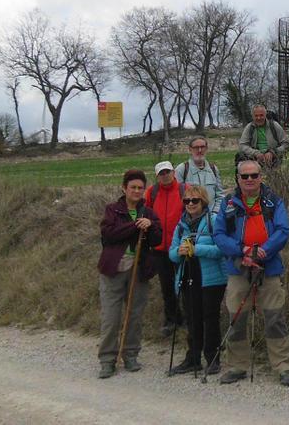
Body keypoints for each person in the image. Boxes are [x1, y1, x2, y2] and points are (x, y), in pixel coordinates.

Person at [212, 160, 289, 386]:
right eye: (245, 176)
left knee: (274, 318)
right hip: (238, 267)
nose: (249, 180)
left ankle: (283, 367)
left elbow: (283, 230)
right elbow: (219, 234)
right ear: (238, 179)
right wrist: (242, 251)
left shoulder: (273, 201)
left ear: (261, 177)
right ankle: (238, 366)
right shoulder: (228, 204)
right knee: (236, 319)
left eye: (254, 175)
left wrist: (262, 252)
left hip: (268, 267)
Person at [97, 169, 162, 378]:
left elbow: (157, 240)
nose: (136, 191)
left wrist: (150, 226)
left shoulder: (149, 213)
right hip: (113, 269)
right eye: (132, 187)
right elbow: (109, 235)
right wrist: (135, 226)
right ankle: (107, 359)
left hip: (139, 269)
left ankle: (131, 355)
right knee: (111, 317)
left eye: (140, 188)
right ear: (124, 188)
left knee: (134, 315)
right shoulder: (112, 210)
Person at [168, 186, 227, 376]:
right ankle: (193, 358)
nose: (191, 204)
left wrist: (196, 249)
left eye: (195, 200)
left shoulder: (214, 221)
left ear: (204, 202)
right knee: (192, 318)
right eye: (187, 201)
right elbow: (171, 253)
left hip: (211, 278)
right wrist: (179, 252)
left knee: (210, 318)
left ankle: (213, 359)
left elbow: (221, 250)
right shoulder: (181, 225)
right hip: (187, 276)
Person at [145, 161, 188, 337]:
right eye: (161, 173)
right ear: (157, 176)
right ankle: (172, 319)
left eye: (167, 172)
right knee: (167, 286)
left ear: (173, 172)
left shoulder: (184, 189)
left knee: (185, 284)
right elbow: (145, 212)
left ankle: (188, 318)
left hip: (180, 247)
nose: (165, 175)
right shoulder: (152, 193)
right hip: (159, 248)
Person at [175, 136, 224, 212]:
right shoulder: (182, 169)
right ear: (190, 149)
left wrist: (215, 213)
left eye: (202, 147)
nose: (200, 150)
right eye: (196, 147)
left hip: (212, 217)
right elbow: (177, 197)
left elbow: (220, 195)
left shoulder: (213, 169)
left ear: (206, 149)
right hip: (191, 218)